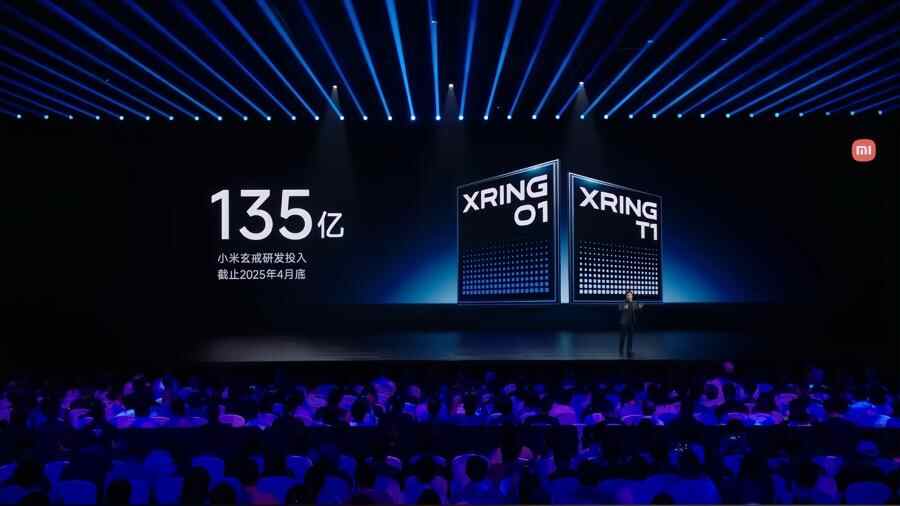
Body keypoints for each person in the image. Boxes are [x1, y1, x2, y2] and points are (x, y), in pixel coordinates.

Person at [618, 290, 644, 358]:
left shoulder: (634, 303)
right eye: (628, 295)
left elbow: (639, 306)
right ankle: (621, 350)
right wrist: (624, 307)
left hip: (631, 323)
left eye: (630, 295)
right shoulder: (623, 303)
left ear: (632, 296)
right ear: (626, 296)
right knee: (623, 338)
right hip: (624, 323)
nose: (629, 296)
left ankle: (629, 351)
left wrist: (640, 306)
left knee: (630, 338)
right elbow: (619, 308)